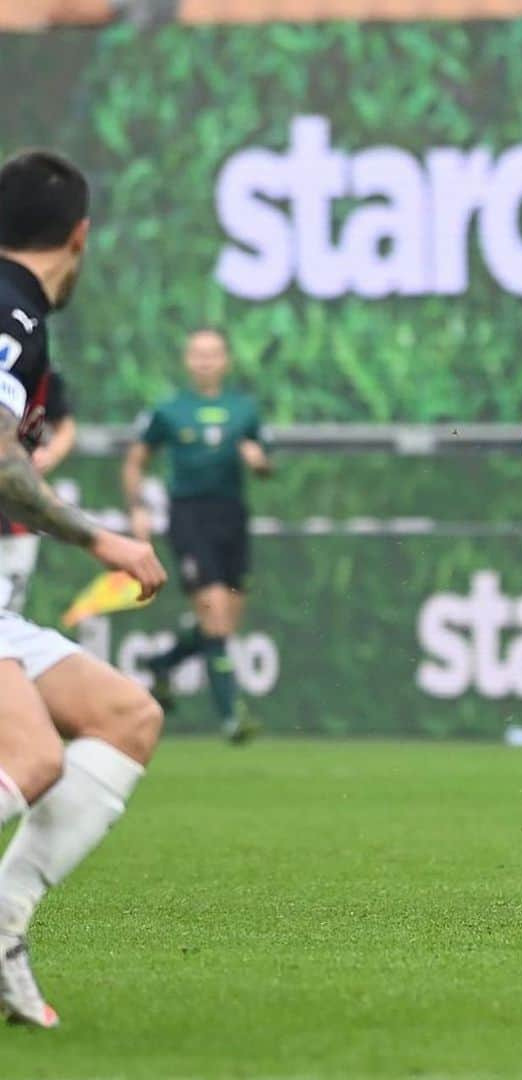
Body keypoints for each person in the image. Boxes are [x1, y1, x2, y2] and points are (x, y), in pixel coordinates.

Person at [0, 148, 167, 1027]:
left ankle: (2, 932)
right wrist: (103, 536)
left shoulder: (20, 314)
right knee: (31, 759)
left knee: (125, 718)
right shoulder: (12, 312)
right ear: (81, 235)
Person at [123, 327, 270, 744]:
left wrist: (258, 461)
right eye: (198, 353)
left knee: (222, 623)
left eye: (213, 353)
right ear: (188, 360)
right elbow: (135, 462)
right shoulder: (169, 411)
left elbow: (265, 463)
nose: (205, 360)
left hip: (232, 517)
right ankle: (231, 717)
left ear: (226, 360)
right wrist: (137, 508)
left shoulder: (244, 410)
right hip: (189, 517)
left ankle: (163, 663)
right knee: (214, 611)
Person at [0, 369, 77, 613]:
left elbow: (66, 426)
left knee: (10, 611)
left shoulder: (39, 371)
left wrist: (50, 454)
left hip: (16, 511)